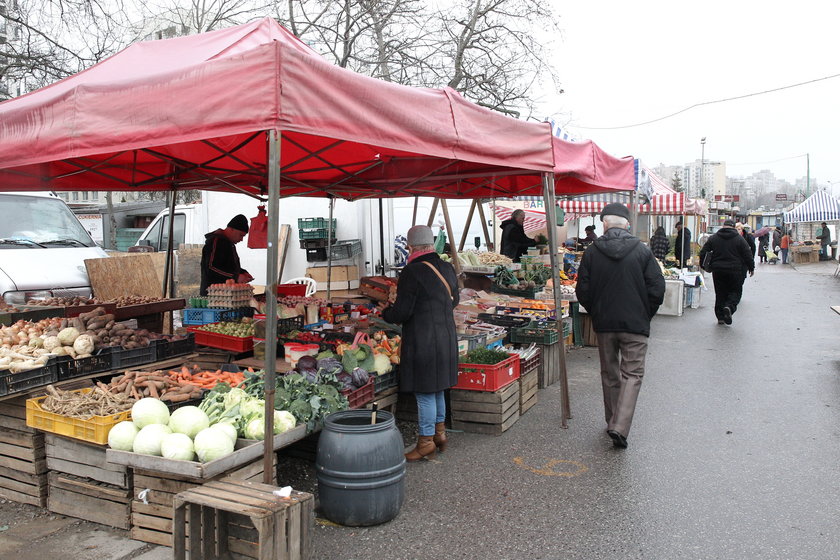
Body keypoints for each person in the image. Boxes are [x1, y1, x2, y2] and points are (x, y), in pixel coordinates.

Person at [575, 203, 665, 450]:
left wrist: (597, 312)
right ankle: (619, 426)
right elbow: (657, 288)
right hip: (635, 324)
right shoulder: (643, 251)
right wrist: (645, 313)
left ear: (605, 224)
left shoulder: (592, 252)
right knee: (632, 374)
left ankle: (612, 422)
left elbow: (582, 290)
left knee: (610, 373)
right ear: (627, 224)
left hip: (605, 324)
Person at [380, 225, 459, 461]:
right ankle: (440, 435)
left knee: (425, 392)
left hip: (423, 340)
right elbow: (453, 301)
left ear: (410, 246)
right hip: (446, 337)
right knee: (438, 388)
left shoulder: (412, 272)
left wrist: (386, 313)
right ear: (432, 244)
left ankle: (425, 442)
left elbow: (402, 312)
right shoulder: (446, 267)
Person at [699, 219, 755, 326]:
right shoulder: (739, 239)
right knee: (735, 292)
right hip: (735, 271)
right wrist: (751, 268)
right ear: (733, 227)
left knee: (720, 293)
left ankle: (720, 317)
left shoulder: (713, 238)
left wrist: (704, 265)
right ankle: (729, 307)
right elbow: (747, 254)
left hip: (718, 270)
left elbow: (703, 252)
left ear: (723, 226)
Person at [200, 214, 254, 296]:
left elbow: (228, 267)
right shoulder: (216, 241)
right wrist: (236, 277)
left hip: (226, 295)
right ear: (231, 229)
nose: (241, 239)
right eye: (241, 235)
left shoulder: (229, 244)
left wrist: (242, 272)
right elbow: (211, 267)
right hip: (212, 296)